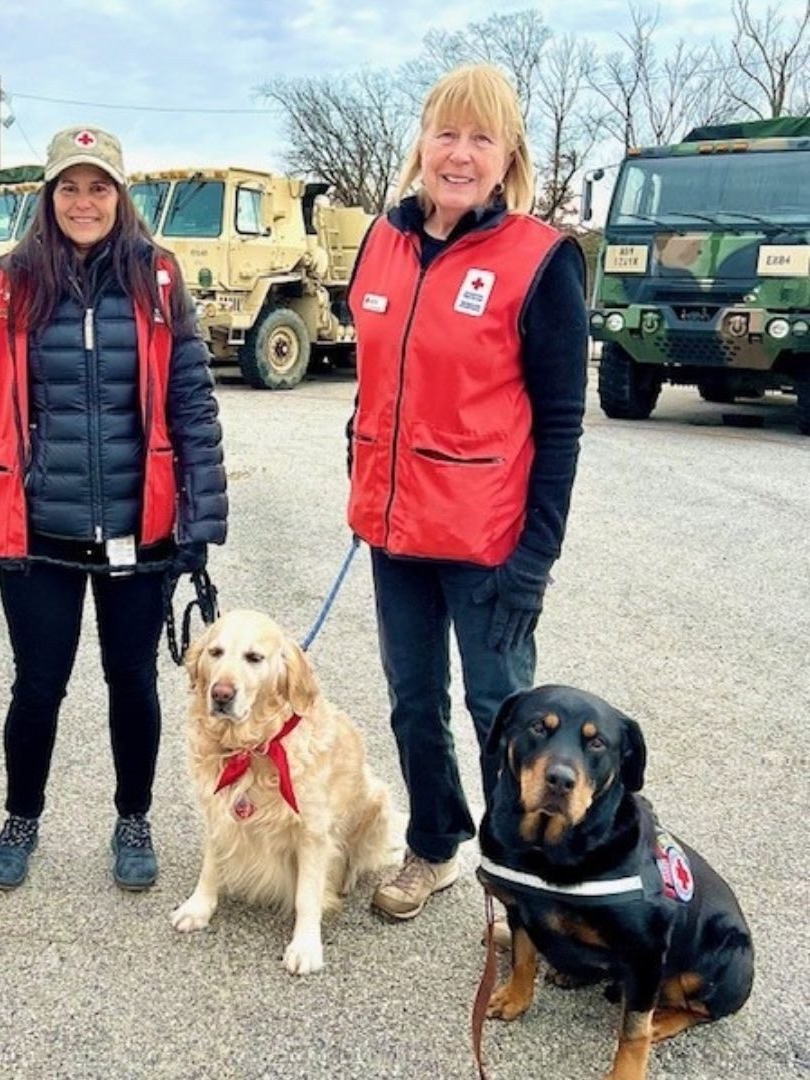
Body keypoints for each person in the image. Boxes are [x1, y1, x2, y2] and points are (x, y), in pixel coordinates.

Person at [0, 124, 227, 892]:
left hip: (139, 530)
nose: (83, 202)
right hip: (39, 532)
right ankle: (21, 817)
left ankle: (134, 819)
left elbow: (193, 404)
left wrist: (199, 523)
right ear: (48, 196)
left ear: (121, 197)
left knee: (133, 682)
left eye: (99, 187)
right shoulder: (11, 284)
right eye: (69, 186)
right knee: (38, 685)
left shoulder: (158, 280)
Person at [345, 65, 587, 921]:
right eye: (447, 133)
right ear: (423, 144)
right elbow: (379, 378)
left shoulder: (541, 261)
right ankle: (435, 847)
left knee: (504, 717)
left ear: (507, 155)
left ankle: (523, 878)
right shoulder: (382, 241)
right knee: (414, 704)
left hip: (490, 544)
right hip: (394, 533)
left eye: (481, 138)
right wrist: (362, 459)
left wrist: (535, 562)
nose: (460, 154)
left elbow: (561, 427)